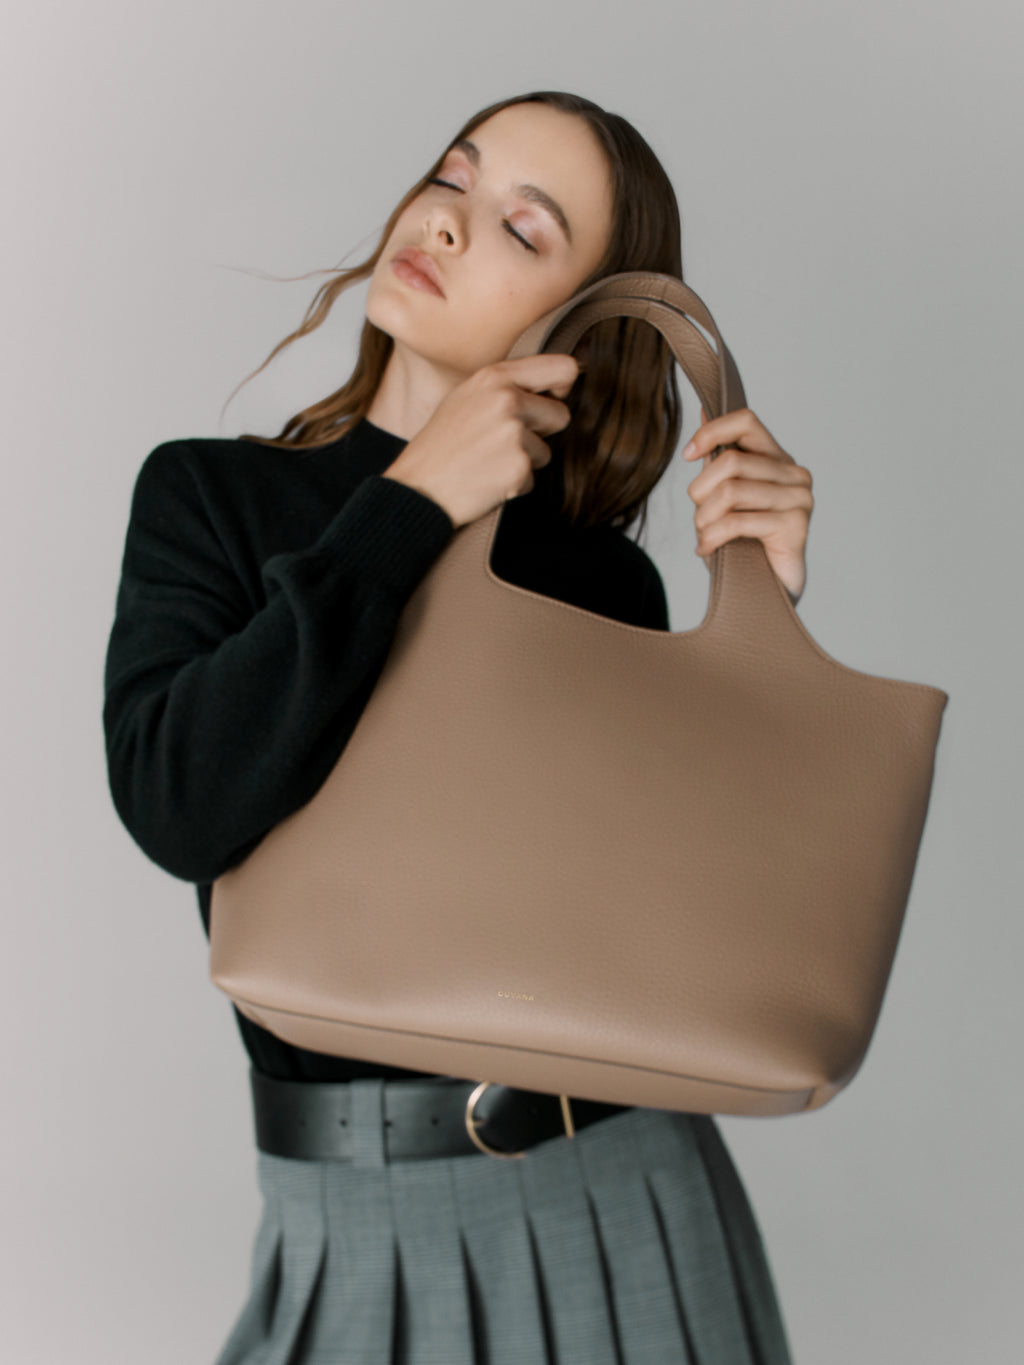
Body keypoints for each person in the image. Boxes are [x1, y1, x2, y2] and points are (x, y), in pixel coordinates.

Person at [103, 90, 813, 1365]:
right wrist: (411, 498)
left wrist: (762, 639)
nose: (444, 218)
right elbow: (180, 802)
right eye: (452, 174)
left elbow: (678, 935)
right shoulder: (211, 498)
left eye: (520, 229)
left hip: (626, 1196)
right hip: (346, 1209)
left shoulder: (598, 581)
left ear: (580, 328)